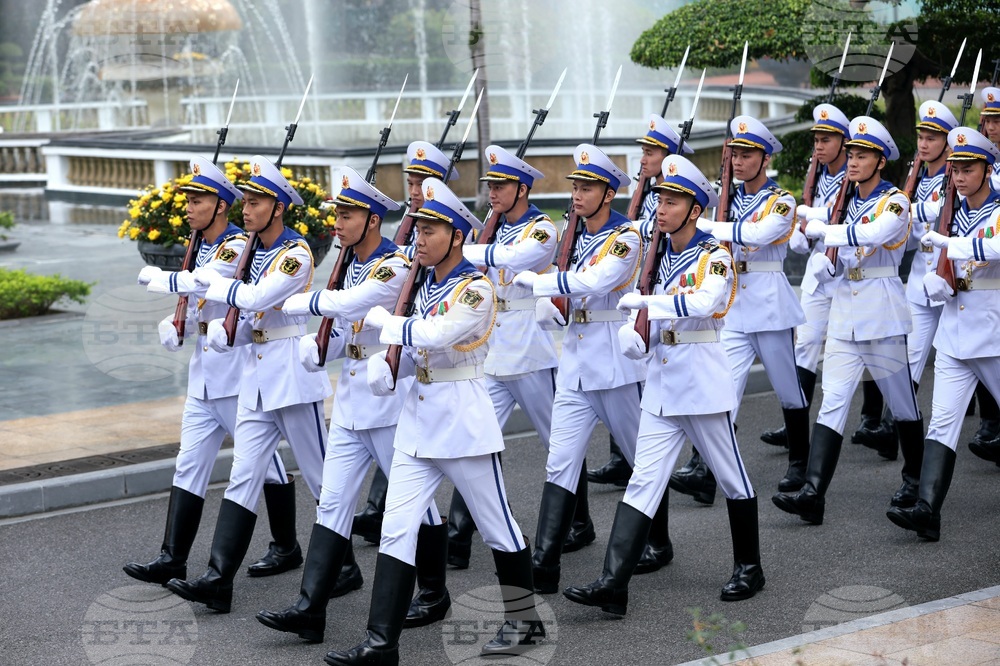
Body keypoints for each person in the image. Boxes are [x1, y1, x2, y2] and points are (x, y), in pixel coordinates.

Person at [324, 178, 544, 664]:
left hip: (463, 423)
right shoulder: (419, 283)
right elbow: (415, 348)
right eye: (418, 228)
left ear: (457, 236)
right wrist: (391, 366)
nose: (419, 238)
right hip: (417, 422)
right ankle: (382, 644)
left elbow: (440, 332)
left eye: (430, 230)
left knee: (498, 528)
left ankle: (524, 622)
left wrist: (389, 328)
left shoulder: (474, 288)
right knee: (397, 529)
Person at [255, 167, 452, 640]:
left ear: (372, 221)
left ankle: (433, 592)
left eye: (347, 215)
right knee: (333, 503)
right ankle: (310, 610)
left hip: (388, 403)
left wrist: (303, 305)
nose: (337, 224)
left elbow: (350, 305)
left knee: (415, 506)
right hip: (349, 403)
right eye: (337, 214)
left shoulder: (395, 267)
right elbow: (347, 330)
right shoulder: (348, 265)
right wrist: (327, 347)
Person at [564, 154, 763, 616]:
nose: (663, 208)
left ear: (695, 209)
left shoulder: (713, 253)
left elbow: (707, 300)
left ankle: (749, 567)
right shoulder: (658, 255)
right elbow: (646, 319)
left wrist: (650, 302)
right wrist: (637, 336)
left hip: (701, 379)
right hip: (661, 382)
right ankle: (613, 584)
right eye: (660, 200)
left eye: (673, 201)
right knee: (643, 483)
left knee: (732, 478)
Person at [164, 155, 332, 612]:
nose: (247, 208)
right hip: (257, 374)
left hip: (293, 377)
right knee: (241, 478)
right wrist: (218, 329)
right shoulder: (254, 253)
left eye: (256, 202)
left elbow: (258, 298)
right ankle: (219, 580)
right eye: (246, 201)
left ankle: (343, 568)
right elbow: (249, 315)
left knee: (324, 482)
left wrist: (191, 285)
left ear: (277, 208)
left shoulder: (294, 254)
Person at [126, 156, 302, 585]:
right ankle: (172, 557)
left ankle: (286, 545)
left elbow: (204, 282)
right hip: (205, 372)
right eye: (187, 198)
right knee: (189, 464)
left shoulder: (237, 246)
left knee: (264, 466)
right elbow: (200, 300)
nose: (188, 206)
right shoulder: (199, 244)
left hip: (237, 371)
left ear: (221, 205)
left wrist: (162, 279)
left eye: (198, 199)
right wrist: (178, 322)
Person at [511, 144, 649, 593]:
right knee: (560, 462)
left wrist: (541, 282)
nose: (577, 194)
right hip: (574, 361)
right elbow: (570, 292)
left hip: (612, 363)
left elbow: (594, 282)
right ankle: (545, 563)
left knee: (639, 457)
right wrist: (553, 306)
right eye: (575, 185)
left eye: (587, 187)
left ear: (608, 193)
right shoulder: (573, 235)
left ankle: (658, 541)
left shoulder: (625, 236)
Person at [773, 116, 923, 525]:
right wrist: (824, 261)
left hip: (882, 316)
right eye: (851, 154)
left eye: (862, 155)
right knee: (833, 402)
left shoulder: (895, 201)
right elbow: (832, 245)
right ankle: (813, 492)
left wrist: (827, 233)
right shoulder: (844, 201)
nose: (853, 162)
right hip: (844, 316)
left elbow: (874, 234)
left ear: (880, 161)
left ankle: (914, 482)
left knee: (902, 404)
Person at [449, 145, 567, 569]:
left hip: (530, 348)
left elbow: (517, 260)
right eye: (490, 186)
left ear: (521, 189)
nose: (492, 193)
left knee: (559, 444)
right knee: (475, 442)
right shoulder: (490, 230)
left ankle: (577, 522)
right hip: (494, 352)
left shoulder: (542, 228)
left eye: (500, 186)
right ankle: (457, 537)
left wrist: (470, 251)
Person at [681, 115, 809, 498]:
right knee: (722, 391)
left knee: (789, 391)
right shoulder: (725, 198)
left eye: (747, 153)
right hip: (733, 307)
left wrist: (713, 226)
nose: (738, 160)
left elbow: (758, 233)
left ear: (765, 158)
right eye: (734, 152)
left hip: (770, 305)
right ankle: (706, 470)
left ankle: (800, 464)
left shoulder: (781, 200)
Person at [888, 127, 1000, 539]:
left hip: (994, 333)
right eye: (955, 170)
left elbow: (994, 248)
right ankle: (927, 509)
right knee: (943, 423)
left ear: (987, 169)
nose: (959, 177)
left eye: (968, 169)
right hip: (954, 333)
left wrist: (949, 246)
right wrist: (940, 280)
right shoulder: (949, 211)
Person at [351, 140, 458, 545]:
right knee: (403, 440)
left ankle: (455, 531)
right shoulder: (406, 231)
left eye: (422, 182)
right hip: (412, 347)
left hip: (452, 346)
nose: (413, 190)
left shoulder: (453, 229)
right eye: (411, 182)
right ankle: (381, 510)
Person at [589, 114, 693, 489]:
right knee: (639, 383)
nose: (643, 158)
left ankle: (700, 463)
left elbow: (649, 232)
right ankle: (623, 457)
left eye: (650, 151)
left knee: (663, 386)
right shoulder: (645, 193)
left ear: (667, 156)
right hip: (636, 290)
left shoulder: (677, 197)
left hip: (666, 293)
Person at [759, 103, 848, 450]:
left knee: (862, 348)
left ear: (843, 141)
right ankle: (794, 422)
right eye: (817, 140)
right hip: (817, 268)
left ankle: (875, 419)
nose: (820, 147)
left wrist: (815, 215)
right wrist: (803, 230)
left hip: (845, 271)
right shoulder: (819, 173)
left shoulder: (854, 175)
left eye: (827, 140)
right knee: (806, 345)